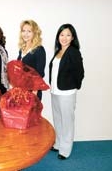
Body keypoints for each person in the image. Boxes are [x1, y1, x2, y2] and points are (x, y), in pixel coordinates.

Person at [49, 23, 84, 159]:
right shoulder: (58, 51)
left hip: (67, 93)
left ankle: (65, 149)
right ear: (58, 36)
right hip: (55, 91)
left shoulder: (74, 52)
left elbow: (80, 72)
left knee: (67, 121)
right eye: (62, 34)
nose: (64, 38)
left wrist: (74, 86)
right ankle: (58, 143)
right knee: (58, 119)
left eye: (68, 35)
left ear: (72, 37)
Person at [17, 20, 46, 100]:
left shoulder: (39, 50)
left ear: (34, 33)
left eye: (29, 31)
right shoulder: (22, 49)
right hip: (21, 90)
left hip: (33, 91)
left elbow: (40, 74)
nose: (25, 34)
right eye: (23, 31)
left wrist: (34, 93)